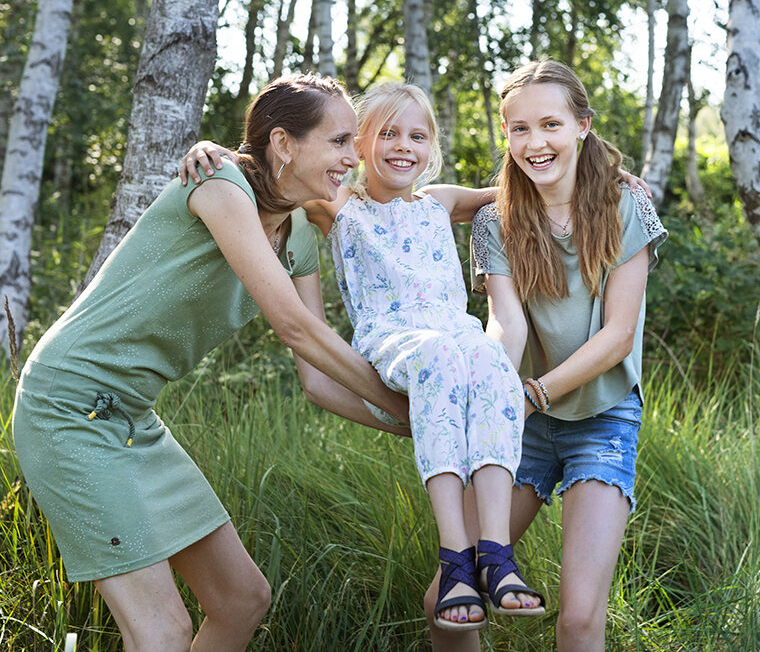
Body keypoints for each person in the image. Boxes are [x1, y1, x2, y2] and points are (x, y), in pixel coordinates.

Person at [11, 73, 410, 652]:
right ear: (283, 144)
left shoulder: (299, 233)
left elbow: (319, 381)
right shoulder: (220, 185)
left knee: (242, 599)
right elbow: (298, 331)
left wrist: (411, 424)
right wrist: (402, 400)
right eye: (341, 141)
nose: (355, 157)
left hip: (132, 418)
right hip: (68, 406)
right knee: (162, 632)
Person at [183, 82, 545, 631]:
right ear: (358, 146)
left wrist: (604, 176)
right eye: (387, 134)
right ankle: (455, 559)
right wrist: (211, 150)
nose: (404, 146)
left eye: (417, 136)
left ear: (432, 147)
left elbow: (527, 189)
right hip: (397, 341)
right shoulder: (338, 205)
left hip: (456, 336)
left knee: (496, 363)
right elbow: (270, 173)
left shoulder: (441, 202)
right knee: (445, 360)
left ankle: (494, 554)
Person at [424, 59, 667, 651]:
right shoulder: (495, 221)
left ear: (583, 125)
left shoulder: (626, 208)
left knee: (580, 618)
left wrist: (532, 394)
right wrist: (494, 393)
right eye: (519, 129)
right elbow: (505, 325)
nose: (536, 142)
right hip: (521, 423)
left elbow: (616, 338)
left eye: (551, 125)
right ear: (506, 136)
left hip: (601, 418)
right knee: (443, 602)